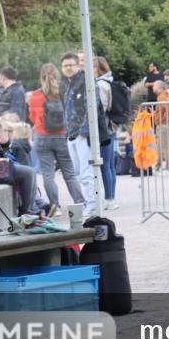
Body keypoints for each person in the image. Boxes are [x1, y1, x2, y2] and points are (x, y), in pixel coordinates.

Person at [28, 63, 85, 216]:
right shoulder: (64, 92)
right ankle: (80, 202)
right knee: (69, 173)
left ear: (41, 77)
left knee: (48, 174)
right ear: (57, 75)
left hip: (41, 137)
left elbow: (32, 118)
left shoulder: (35, 95)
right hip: (62, 136)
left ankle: (55, 207)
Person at [59, 51, 110, 217]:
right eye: (65, 65)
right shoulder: (66, 84)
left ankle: (93, 205)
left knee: (87, 172)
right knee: (79, 172)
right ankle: (93, 202)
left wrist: (84, 131)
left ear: (77, 65)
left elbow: (92, 107)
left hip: (84, 135)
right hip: (71, 134)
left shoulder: (87, 81)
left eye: (71, 65)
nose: (68, 68)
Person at [94, 56, 119, 209]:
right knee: (109, 165)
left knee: (105, 166)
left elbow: (101, 108)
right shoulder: (109, 81)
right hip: (111, 127)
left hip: (104, 129)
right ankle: (111, 197)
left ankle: (109, 198)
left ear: (99, 69)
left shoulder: (101, 85)